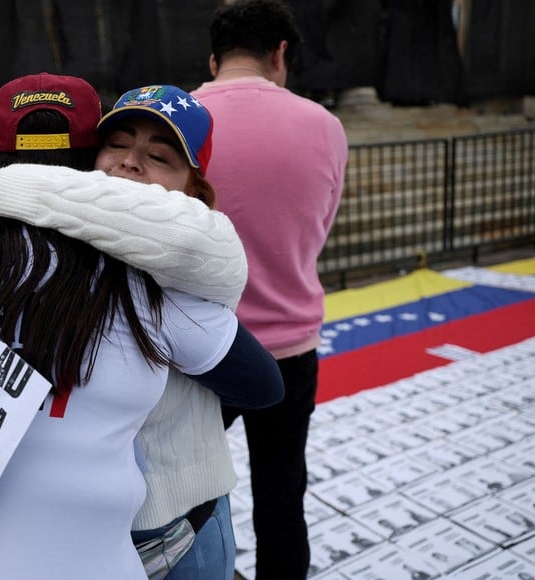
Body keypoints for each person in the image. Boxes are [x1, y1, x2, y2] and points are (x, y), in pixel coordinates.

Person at [0, 83, 284, 579]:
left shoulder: (163, 277)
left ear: (194, 193)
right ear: (91, 157)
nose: (132, 163)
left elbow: (256, 370)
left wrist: (13, 186)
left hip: (174, 524)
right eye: (117, 145)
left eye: (158, 156)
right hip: (60, 539)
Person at [191, 1, 349, 577]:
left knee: (182, 496)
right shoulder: (325, 125)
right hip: (290, 347)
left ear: (214, 59)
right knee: (283, 497)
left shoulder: (180, 119)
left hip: (200, 347)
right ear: (281, 53)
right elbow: (318, 228)